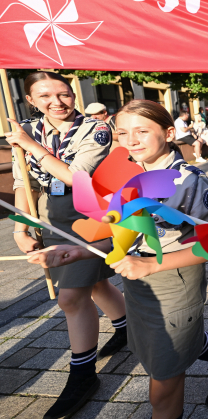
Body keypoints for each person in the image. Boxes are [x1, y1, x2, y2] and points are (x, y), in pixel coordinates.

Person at [29, 100, 208, 419]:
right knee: (160, 344)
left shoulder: (188, 179)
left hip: (174, 283)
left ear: (169, 132)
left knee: (161, 393)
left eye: (142, 131)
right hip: (137, 283)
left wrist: (150, 264)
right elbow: (126, 230)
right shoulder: (131, 174)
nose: (130, 140)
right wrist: (78, 250)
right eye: (122, 132)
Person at [7, 72, 127, 419]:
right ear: (30, 100)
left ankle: (83, 377)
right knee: (95, 282)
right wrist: (21, 227)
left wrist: (30, 146)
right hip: (52, 217)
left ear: (74, 95)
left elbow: (77, 177)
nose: (56, 102)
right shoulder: (27, 129)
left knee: (70, 296)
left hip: (89, 215)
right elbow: (22, 181)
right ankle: (125, 328)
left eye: (64, 94)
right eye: (44, 96)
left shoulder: (96, 129)